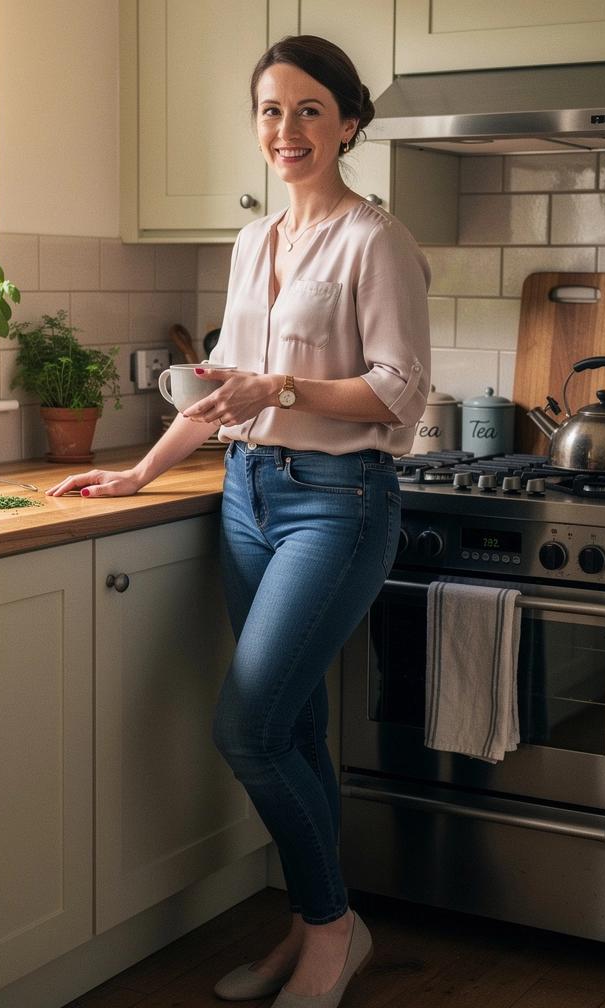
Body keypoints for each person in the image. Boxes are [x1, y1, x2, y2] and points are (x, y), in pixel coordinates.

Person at [46, 34, 430, 1008]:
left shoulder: (375, 241)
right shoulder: (252, 240)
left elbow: (398, 393)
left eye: (309, 110)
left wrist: (285, 384)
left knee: (248, 728)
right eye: (270, 111)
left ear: (348, 122)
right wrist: (136, 473)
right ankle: (313, 931)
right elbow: (223, 392)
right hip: (248, 496)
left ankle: (334, 928)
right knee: (293, 728)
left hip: (337, 504)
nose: (287, 129)